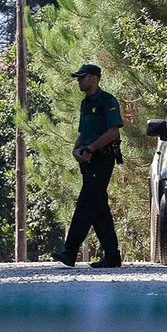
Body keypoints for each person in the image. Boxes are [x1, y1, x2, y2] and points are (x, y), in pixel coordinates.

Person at [52, 64, 124, 268]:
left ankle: (69, 251)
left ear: (94, 78)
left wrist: (90, 149)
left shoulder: (107, 101)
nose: (78, 81)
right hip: (87, 160)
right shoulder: (85, 104)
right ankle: (112, 256)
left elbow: (113, 132)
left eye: (82, 77)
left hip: (102, 159)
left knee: (85, 204)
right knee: (99, 209)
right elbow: (83, 133)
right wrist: (77, 151)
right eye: (78, 78)